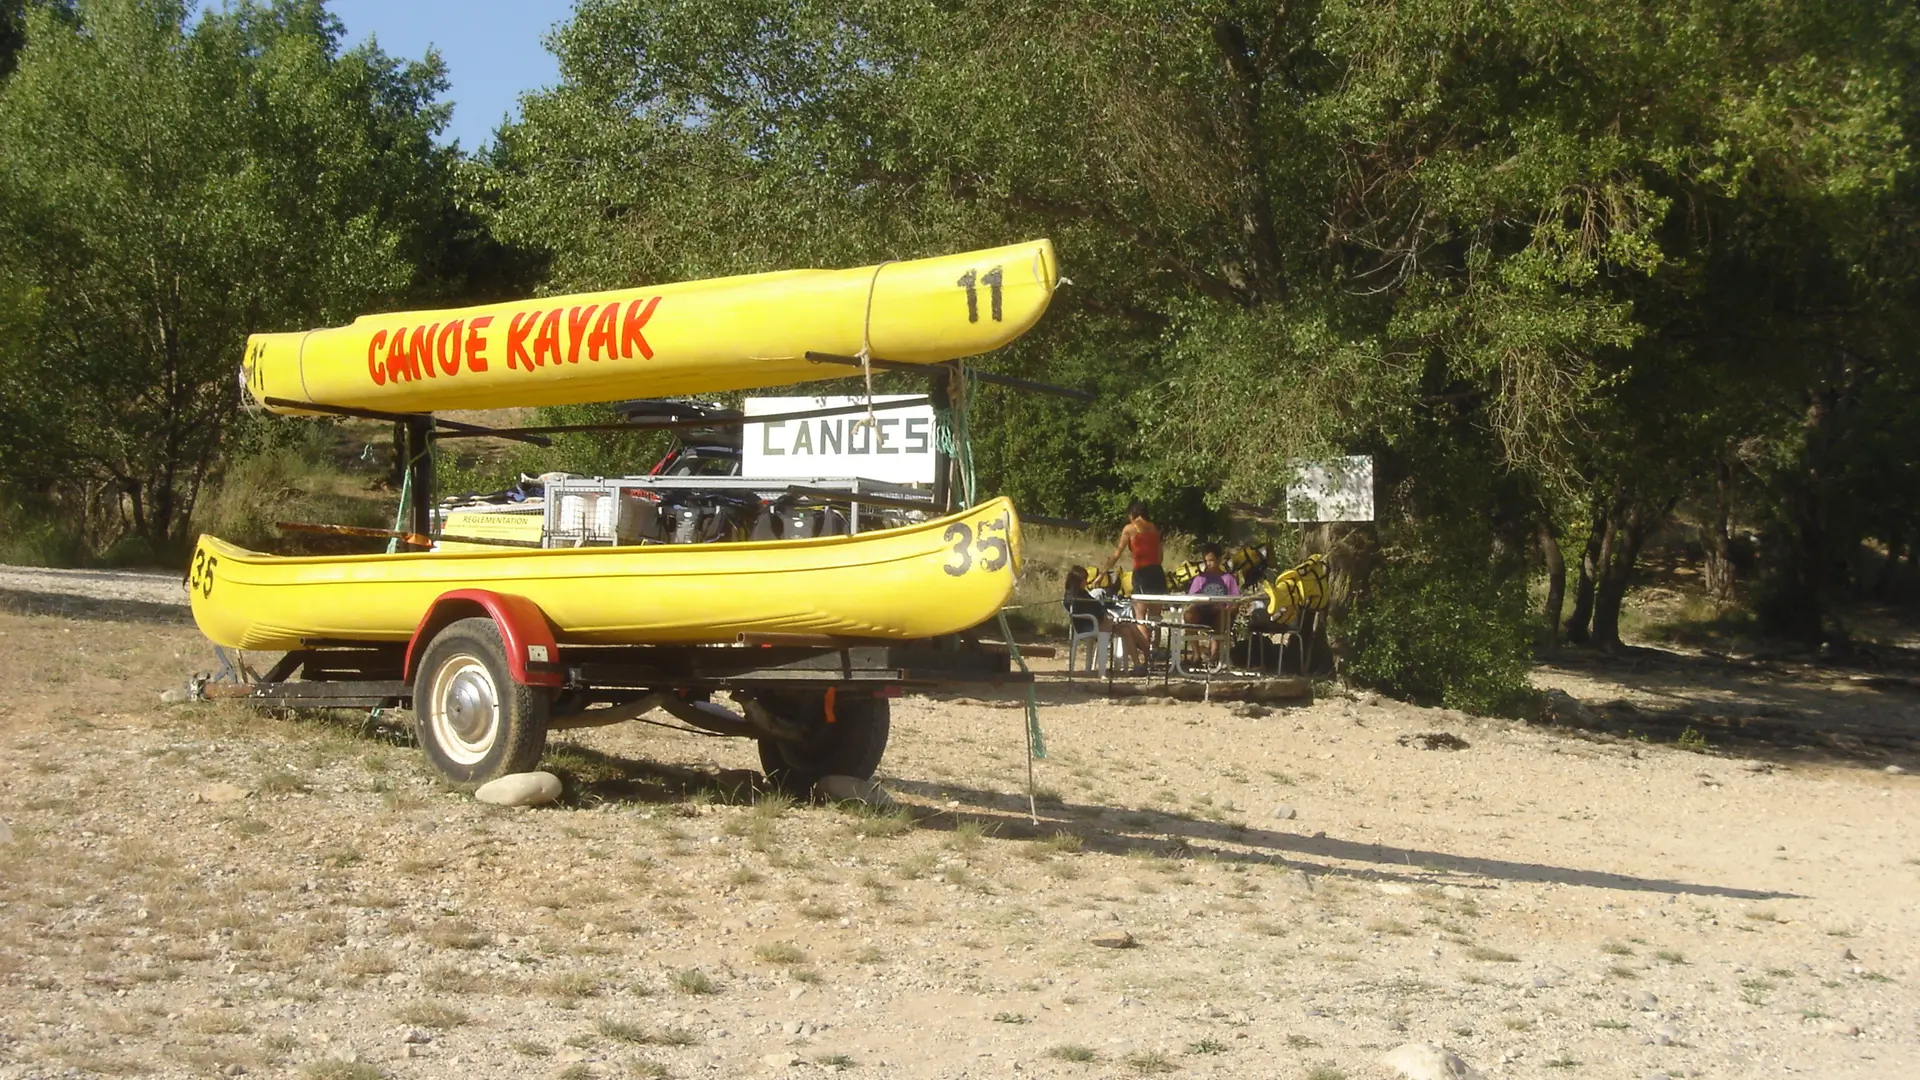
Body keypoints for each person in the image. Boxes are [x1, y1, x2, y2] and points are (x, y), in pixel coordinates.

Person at [1103, 500, 1166, 674]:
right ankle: (1154, 651)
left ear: (1132, 514)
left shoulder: (1130, 529)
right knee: (1156, 616)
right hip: (1158, 573)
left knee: (1140, 617)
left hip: (1143, 573)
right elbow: (1160, 556)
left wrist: (1103, 572)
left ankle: (1146, 659)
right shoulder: (1154, 528)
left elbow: (1117, 553)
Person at [1065, 566, 1149, 665]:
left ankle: (1138, 664)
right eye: (1084, 579)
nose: (1086, 582)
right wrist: (1104, 618)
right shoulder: (1071, 597)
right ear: (1077, 581)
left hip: (1100, 621)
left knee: (1127, 629)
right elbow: (1088, 611)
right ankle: (1149, 654)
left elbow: (1095, 607)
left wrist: (1105, 616)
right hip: (1090, 625)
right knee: (1129, 625)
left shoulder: (1082, 593)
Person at [1184, 543, 1241, 666]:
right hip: (1203, 611)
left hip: (1220, 613)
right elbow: (1191, 600)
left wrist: (1227, 611)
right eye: (1206, 561)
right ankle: (1196, 655)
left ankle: (1214, 655)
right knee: (1188, 615)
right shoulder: (1200, 579)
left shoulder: (1228, 579)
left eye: (1211, 560)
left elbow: (1236, 603)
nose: (1208, 564)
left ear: (1219, 560)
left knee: (1221, 615)